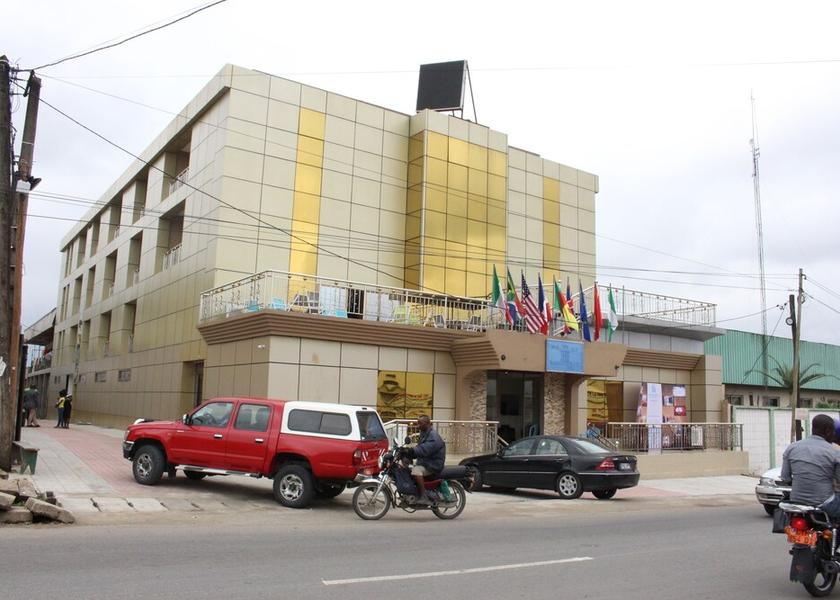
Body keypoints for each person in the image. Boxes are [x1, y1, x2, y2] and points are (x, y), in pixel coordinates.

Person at [781, 414, 840, 517]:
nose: (834, 435)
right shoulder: (834, 452)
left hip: (796, 502)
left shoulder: (792, 448)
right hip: (824, 504)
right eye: (833, 432)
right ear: (828, 431)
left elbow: (785, 477)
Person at [404, 415, 446, 505]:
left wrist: (411, 451)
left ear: (427, 424)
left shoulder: (433, 436)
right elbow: (419, 448)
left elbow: (424, 449)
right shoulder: (425, 434)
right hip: (426, 463)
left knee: (416, 471)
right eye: (417, 423)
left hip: (433, 465)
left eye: (420, 423)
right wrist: (407, 454)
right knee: (406, 468)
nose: (418, 426)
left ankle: (424, 496)